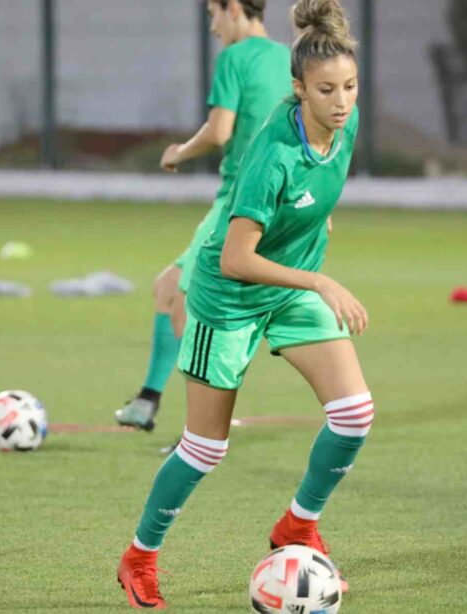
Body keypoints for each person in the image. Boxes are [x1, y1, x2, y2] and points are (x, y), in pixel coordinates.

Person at [116, 0, 369, 608]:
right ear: (298, 90)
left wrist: (317, 231)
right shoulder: (272, 154)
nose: (342, 102)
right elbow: (235, 258)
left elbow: (322, 192)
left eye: (351, 87)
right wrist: (321, 282)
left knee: (354, 414)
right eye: (327, 90)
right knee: (206, 448)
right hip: (228, 299)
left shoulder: (346, 126)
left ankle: (297, 526)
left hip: (287, 287)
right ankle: (139, 557)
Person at [113, 0, 292, 436]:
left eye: (213, 14)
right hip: (275, 198)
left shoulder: (235, 57)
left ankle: (200, 435)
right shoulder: (289, 60)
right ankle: (147, 402)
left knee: (187, 308)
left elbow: (219, 130)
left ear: (233, 8)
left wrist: (178, 152)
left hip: (237, 201)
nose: (212, 26)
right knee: (168, 286)